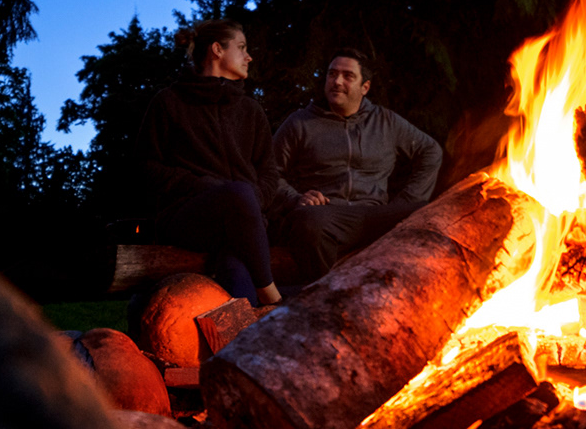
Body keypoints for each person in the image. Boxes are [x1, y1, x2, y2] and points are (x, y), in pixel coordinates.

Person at [136, 20, 291, 304]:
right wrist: (203, 186)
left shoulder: (250, 110)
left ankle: (243, 342)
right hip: (188, 218)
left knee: (235, 268)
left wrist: (251, 201)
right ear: (217, 50)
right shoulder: (169, 102)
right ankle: (273, 297)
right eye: (242, 48)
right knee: (239, 193)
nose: (249, 56)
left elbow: (269, 173)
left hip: (245, 221)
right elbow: (146, 168)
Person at [272, 49, 443, 279]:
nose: (337, 81)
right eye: (332, 74)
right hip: (328, 215)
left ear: (365, 87)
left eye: (347, 76)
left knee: (429, 215)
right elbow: (269, 172)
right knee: (309, 222)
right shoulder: (301, 123)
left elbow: (430, 151)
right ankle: (322, 299)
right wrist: (295, 198)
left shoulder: (386, 121)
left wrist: (407, 201)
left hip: (376, 214)